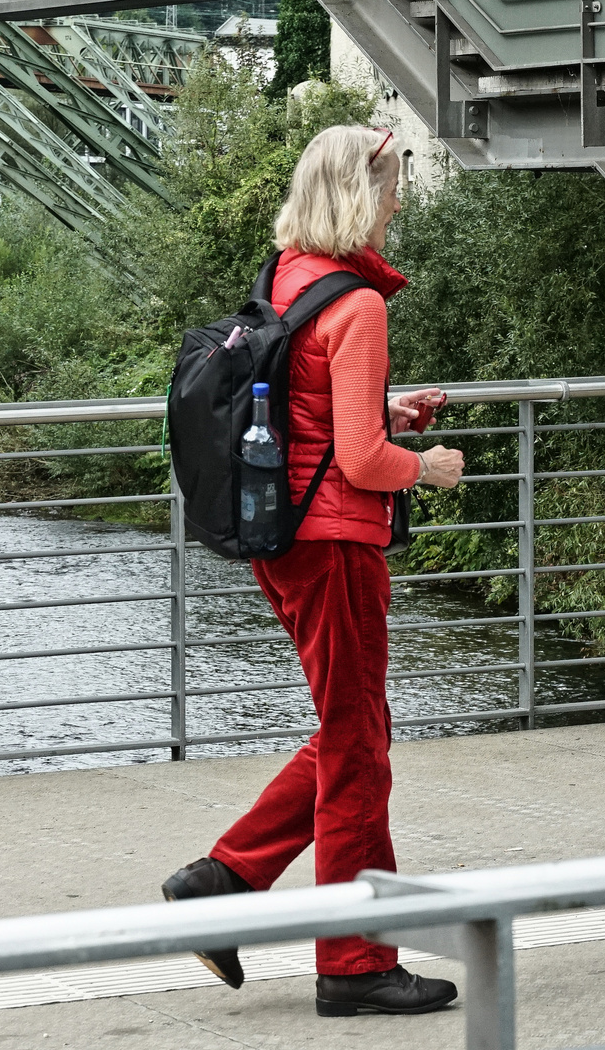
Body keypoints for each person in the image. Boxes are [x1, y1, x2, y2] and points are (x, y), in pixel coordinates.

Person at [161, 125, 466, 1018]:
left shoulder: (290, 276)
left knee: (351, 730)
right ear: (360, 194)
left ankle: (223, 881)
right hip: (336, 547)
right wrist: (429, 466)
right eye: (392, 185)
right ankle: (355, 962)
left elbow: (307, 407)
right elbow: (363, 463)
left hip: (285, 538)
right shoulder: (359, 304)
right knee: (359, 749)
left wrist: (383, 409)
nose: (399, 199)